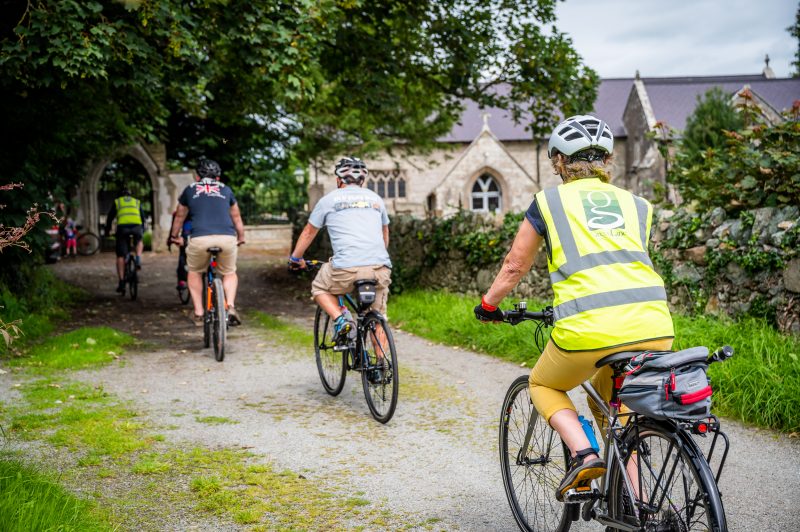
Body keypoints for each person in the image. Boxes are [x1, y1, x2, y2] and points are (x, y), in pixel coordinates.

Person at [473, 115, 674, 501]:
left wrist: (488, 305)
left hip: (588, 329)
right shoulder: (637, 205)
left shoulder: (548, 202)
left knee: (542, 383)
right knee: (617, 413)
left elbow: (515, 265)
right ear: (606, 161)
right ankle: (640, 503)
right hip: (655, 325)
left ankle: (583, 454)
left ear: (559, 162)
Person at [289, 157, 392, 342]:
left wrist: (295, 260)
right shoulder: (376, 199)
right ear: (363, 180)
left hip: (345, 269)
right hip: (379, 268)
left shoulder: (328, 200)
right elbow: (385, 233)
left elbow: (308, 233)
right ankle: (382, 368)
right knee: (377, 318)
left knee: (319, 287)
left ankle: (341, 319)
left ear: (339, 180)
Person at [169, 159, 245, 326]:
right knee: (229, 272)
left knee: (194, 271)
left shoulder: (189, 190)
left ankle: (198, 312)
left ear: (197, 177)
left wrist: (174, 236)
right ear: (218, 177)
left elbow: (180, 216)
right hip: (226, 237)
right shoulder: (226, 189)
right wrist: (241, 237)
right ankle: (230, 306)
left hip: (199, 238)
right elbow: (236, 217)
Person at [104, 187, 146, 294]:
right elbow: (143, 217)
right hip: (136, 227)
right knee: (139, 240)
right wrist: (142, 230)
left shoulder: (117, 202)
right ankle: (138, 258)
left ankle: (122, 282)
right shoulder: (136, 202)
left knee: (120, 255)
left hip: (123, 229)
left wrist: (107, 231)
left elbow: (110, 218)